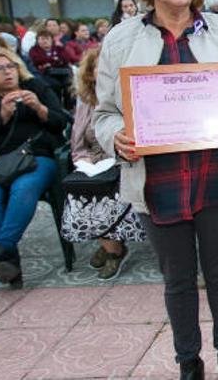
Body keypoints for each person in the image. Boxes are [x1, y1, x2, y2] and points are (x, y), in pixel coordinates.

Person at [94, 0, 218, 380]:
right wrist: (116, 136)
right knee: (177, 280)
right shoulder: (120, 40)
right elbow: (104, 113)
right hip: (158, 179)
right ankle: (188, 362)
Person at [0, 43, 67, 288]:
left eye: (11, 66)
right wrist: (2, 115)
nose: (7, 72)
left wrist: (39, 108)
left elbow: (60, 122)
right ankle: (9, 262)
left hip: (36, 155)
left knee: (25, 188)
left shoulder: (35, 87)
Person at [62, 47, 145, 280]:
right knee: (82, 191)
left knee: (112, 192)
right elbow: (77, 141)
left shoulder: (131, 95)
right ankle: (112, 246)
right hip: (95, 161)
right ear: (90, 73)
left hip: (126, 158)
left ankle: (113, 250)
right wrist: (82, 160)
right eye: (101, 66)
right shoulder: (86, 100)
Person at [29, 29, 72, 106]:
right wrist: (56, 60)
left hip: (61, 72)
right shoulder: (34, 50)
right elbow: (37, 60)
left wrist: (49, 62)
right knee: (55, 85)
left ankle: (69, 106)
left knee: (68, 84)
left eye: (47, 39)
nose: (45, 41)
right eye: (42, 39)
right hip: (45, 74)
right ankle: (57, 105)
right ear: (37, 40)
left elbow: (66, 59)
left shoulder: (59, 49)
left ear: (52, 40)